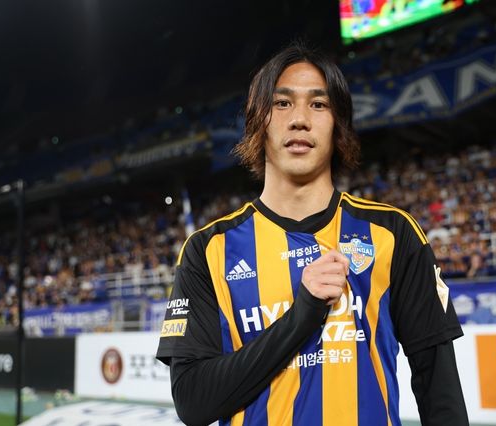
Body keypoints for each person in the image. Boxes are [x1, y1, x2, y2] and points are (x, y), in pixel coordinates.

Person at [156, 42, 468, 426]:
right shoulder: (208, 249)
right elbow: (193, 403)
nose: (300, 119)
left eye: (318, 104)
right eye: (282, 103)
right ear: (257, 122)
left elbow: (439, 387)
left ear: (339, 124)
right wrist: (302, 316)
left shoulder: (394, 233)